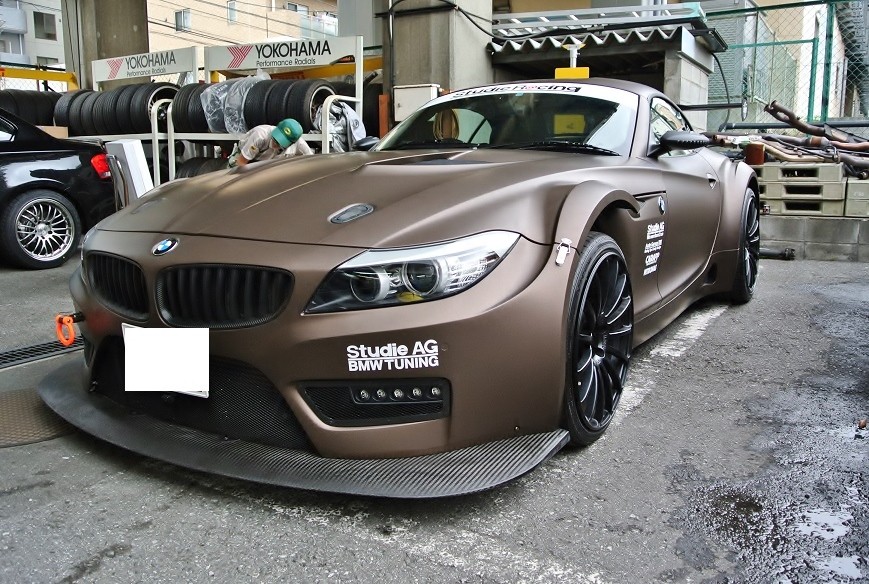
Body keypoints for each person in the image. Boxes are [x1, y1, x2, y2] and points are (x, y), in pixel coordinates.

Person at [228, 118, 312, 167]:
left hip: (269, 164)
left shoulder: (300, 144)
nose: (275, 143)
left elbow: (312, 162)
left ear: (292, 143)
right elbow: (241, 162)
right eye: (275, 139)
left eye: (280, 143)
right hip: (244, 157)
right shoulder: (260, 135)